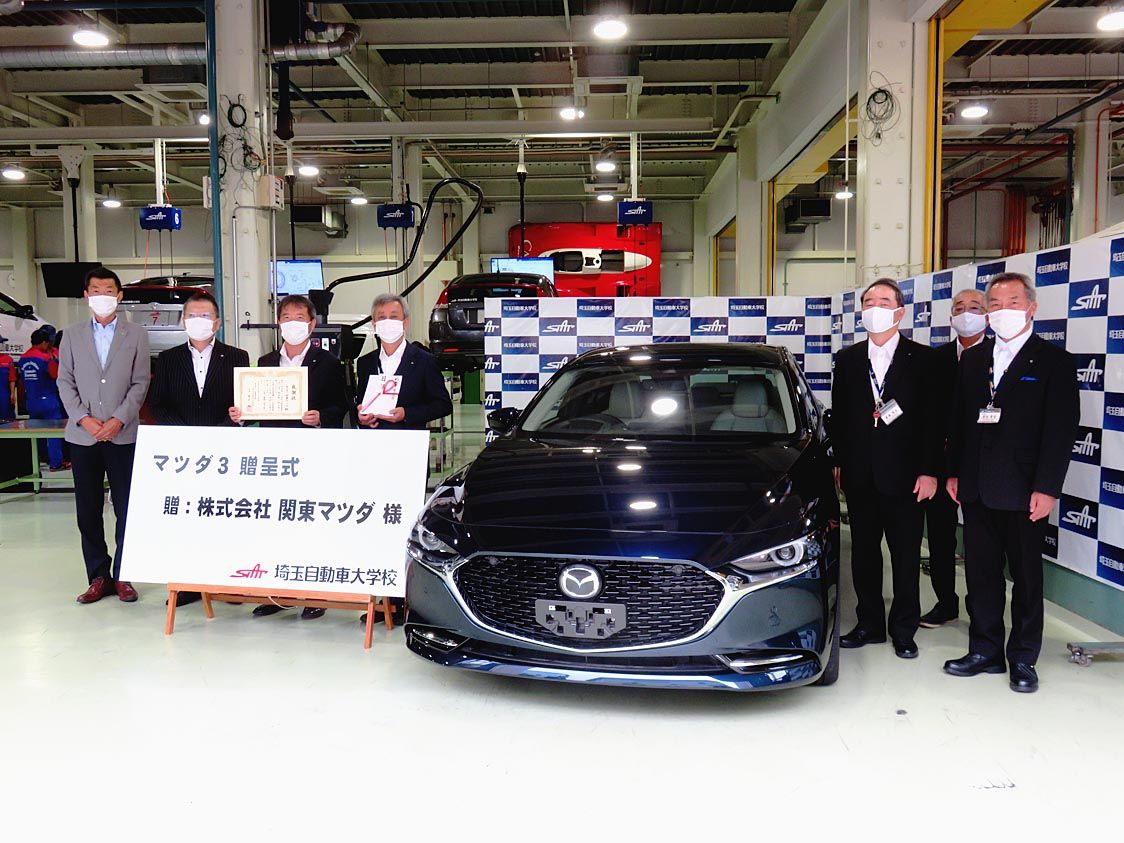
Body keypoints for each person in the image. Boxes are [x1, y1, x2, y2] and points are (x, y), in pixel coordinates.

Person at [944, 273, 1079, 693]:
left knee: (1026, 578)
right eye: (996, 304)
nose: (1003, 311)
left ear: (1031, 308)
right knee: (981, 575)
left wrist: (1048, 488)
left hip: (1025, 490)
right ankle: (984, 650)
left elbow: (1060, 431)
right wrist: (953, 472)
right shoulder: (973, 360)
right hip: (976, 486)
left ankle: (1023, 657)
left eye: (1013, 302)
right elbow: (959, 421)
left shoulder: (1054, 362)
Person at [831, 278, 939, 659]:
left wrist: (929, 471)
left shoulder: (924, 360)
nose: (874, 307)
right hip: (860, 475)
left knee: (906, 557)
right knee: (863, 554)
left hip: (907, 478)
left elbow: (933, 422)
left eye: (883, 301)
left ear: (900, 312)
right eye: (868, 302)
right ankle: (870, 624)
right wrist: (840, 462)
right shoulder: (848, 359)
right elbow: (841, 417)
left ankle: (904, 630)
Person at [229, 293, 349, 620]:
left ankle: (315, 594)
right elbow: (256, 404)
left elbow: (341, 405)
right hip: (276, 454)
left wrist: (322, 417)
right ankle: (277, 593)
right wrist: (242, 414)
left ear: (312, 324)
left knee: (311, 521)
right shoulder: (266, 362)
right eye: (286, 317)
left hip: (313, 453)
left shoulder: (328, 363)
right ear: (278, 323)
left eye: (299, 317)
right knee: (277, 520)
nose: (292, 323)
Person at [355, 293, 453, 626]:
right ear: (373, 324)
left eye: (393, 316)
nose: (387, 322)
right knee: (374, 518)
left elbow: (442, 404)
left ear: (406, 322)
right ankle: (380, 599)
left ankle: (405, 599)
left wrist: (406, 413)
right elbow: (360, 403)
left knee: (404, 522)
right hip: (375, 451)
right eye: (380, 317)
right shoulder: (366, 363)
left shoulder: (422, 360)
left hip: (408, 451)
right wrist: (363, 417)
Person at [57, 266, 151, 604]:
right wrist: (84, 419)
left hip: (122, 435)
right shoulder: (71, 335)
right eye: (95, 290)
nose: (102, 296)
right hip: (83, 437)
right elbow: (64, 381)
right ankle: (98, 576)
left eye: (108, 290)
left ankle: (124, 575)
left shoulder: (136, 334)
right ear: (86, 296)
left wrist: (118, 420)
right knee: (88, 510)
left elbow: (140, 381)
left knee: (126, 508)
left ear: (119, 295)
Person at [151, 289, 249, 606]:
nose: (198, 321)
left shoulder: (237, 357)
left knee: (226, 514)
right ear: (183, 321)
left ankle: (228, 582)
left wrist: (222, 430)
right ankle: (189, 583)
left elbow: (243, 404)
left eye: (205, 316)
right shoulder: (168, 359)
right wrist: (186, 436)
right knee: (188, 518)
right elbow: (158, 404)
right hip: (184, 454)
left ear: (217, 322)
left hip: (225, 449)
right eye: (192, 316)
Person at [919, 288, 988, 628]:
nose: (966, 313)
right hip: (941, 464)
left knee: (981, 543)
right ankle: (946, 602)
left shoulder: (999, 356)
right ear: (950, 316)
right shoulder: (936, 359)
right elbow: (927, 414)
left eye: (974, 307)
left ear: (987, 315)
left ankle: (981, 609)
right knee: (940, 538)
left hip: (982, 465)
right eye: (959, 307)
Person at [18, 327, 68, 471]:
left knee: (37, 432)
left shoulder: (23, 358)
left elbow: (21, 381)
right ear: (44, 342)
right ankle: (56, 463)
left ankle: (42, 457)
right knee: (54, 432)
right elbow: (56, 376)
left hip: (31, 401)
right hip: (48, 401)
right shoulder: (46, 358)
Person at [0, 347, 16, 421]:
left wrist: (12, 393)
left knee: (8, 420)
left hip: (5, 396)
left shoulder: (8, 359)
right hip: (4, 394)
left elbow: (12, 378)